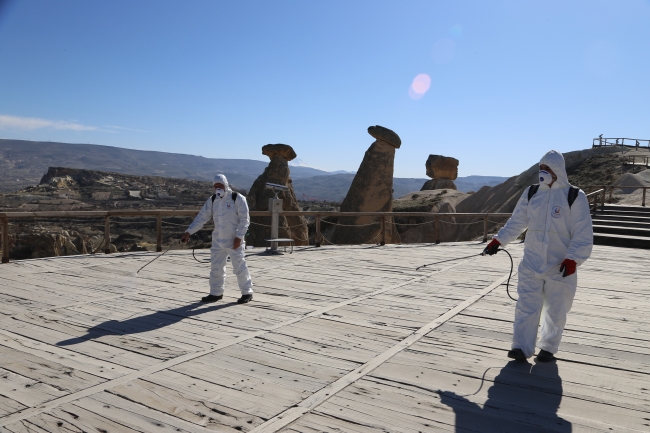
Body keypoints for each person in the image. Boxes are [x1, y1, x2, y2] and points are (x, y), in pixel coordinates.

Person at [484, 150, 593, 362]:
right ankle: (521, 347)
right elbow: (517, 221)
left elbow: (583, 232)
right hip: (531, 263)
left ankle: (548, 348)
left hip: (560, 266)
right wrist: (499, 240)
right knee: (526, 306)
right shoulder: (532, 193)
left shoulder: (574, 196)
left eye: (548, 169)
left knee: (556, 309)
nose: (543, 172)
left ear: (558, 171)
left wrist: (573, 259)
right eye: (541, 168)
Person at [181, 174, 254, 304]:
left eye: (219, 186)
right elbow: (201, 218)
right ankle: (216, 292)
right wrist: (189, 232)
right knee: (216, 268)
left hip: (234, 241)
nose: (217, 188)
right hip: (218, 241)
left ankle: (247, 292)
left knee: (239, 267)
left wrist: (239, 236)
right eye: (215, 186)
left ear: (225, 185)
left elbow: (245, 219)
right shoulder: (213, 200)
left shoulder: (237, 198)